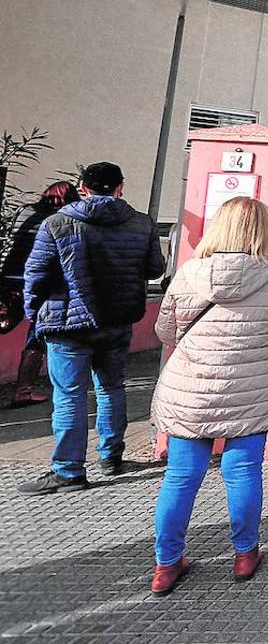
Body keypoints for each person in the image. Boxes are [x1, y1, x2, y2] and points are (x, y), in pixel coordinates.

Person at [148, 197, 268, 595]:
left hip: (191, 388)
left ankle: (166, 564)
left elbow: (165, 332)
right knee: (244, 471)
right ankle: (245, 554)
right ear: (262, 231)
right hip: (251, 388)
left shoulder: (189, 272)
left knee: (181, 477)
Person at [17, 163, 165, 495]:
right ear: (120, 188)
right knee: (111, 388)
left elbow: (35, 275)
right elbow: (156, 268)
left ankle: (69, 471)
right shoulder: (141, 223)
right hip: (117, 320)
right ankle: (111, 457)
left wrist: (34, 315)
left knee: (69, 395)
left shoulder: (56, 223)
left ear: (83, 187)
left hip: (66, 323)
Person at [1, 181, 79, 406]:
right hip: (41, 283)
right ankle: (24, 390)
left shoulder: (25, 212)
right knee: (36, 334)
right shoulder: (63, 221)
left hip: (9, 278)